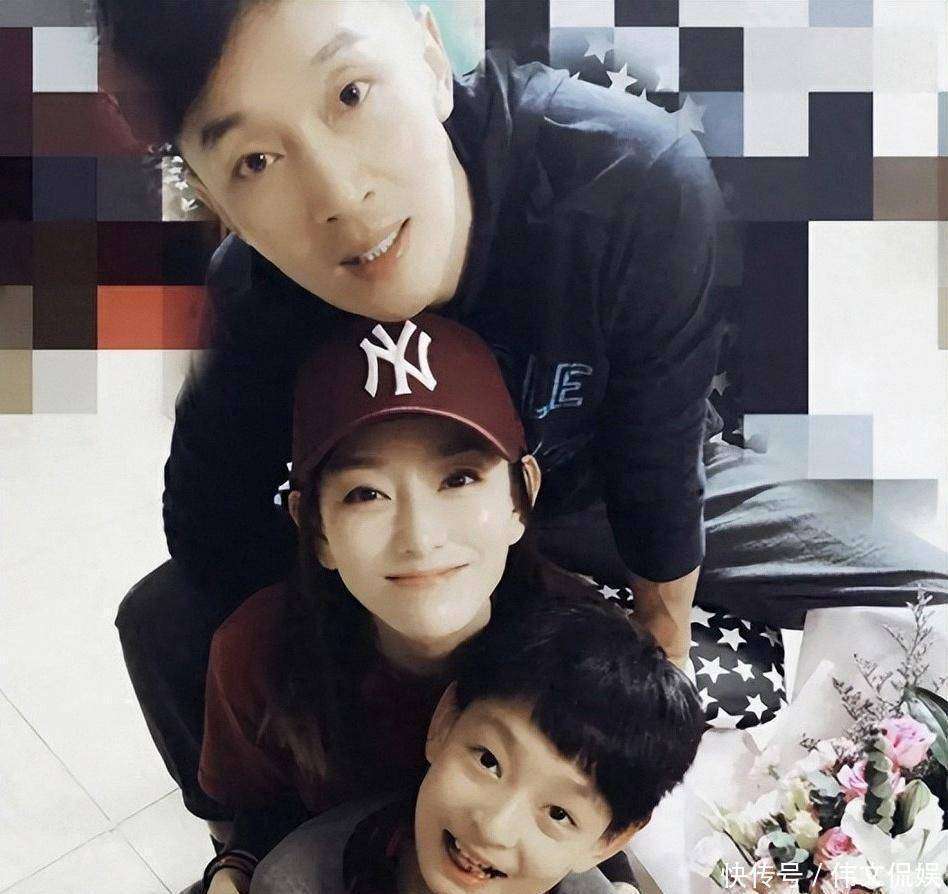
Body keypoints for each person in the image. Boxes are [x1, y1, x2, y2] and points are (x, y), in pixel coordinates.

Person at [99, 0, 948, 840]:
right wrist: (358, 663)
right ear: (211, 196)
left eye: (352, 94)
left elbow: (658, 460)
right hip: (417, 505)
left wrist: (653, 673)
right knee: (165, 620)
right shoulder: (254, 307)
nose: (340, 196)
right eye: (254, 160)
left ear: (430, 59)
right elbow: (211, 529)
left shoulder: (629, 178)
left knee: (924, 593)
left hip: (604, 475)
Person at [197, 313, 639, 893]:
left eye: (459, 479)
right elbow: (250, 814)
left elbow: (589, 806)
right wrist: (232, 870)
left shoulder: (584, 647)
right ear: (316, 528)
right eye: (366, 494)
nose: (420, 537)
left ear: (521, 496)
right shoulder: (256, 652)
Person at [248, 580, 704, 894]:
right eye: (489, 762)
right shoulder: (298, 880)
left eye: (558, 813)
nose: (493, 827)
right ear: (444, 721)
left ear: (607, 842)